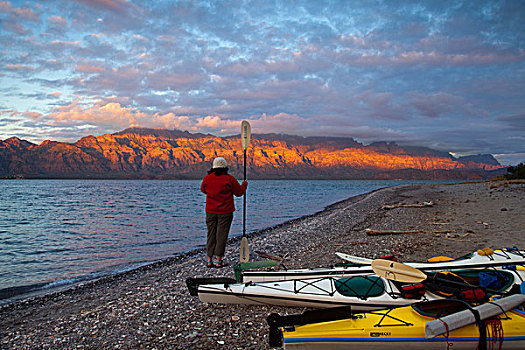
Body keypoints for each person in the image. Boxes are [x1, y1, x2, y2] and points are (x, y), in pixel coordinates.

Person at [201, 157, 248, 268]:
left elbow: (203, 190)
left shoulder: (207, 178)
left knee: (211, 234)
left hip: (210, 211)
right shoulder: (229, 179)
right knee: (221, 235)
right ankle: (219, 260)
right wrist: (244, 185)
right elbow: (239, 192)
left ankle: (209, 260)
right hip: (225, 212)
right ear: (225, 167)